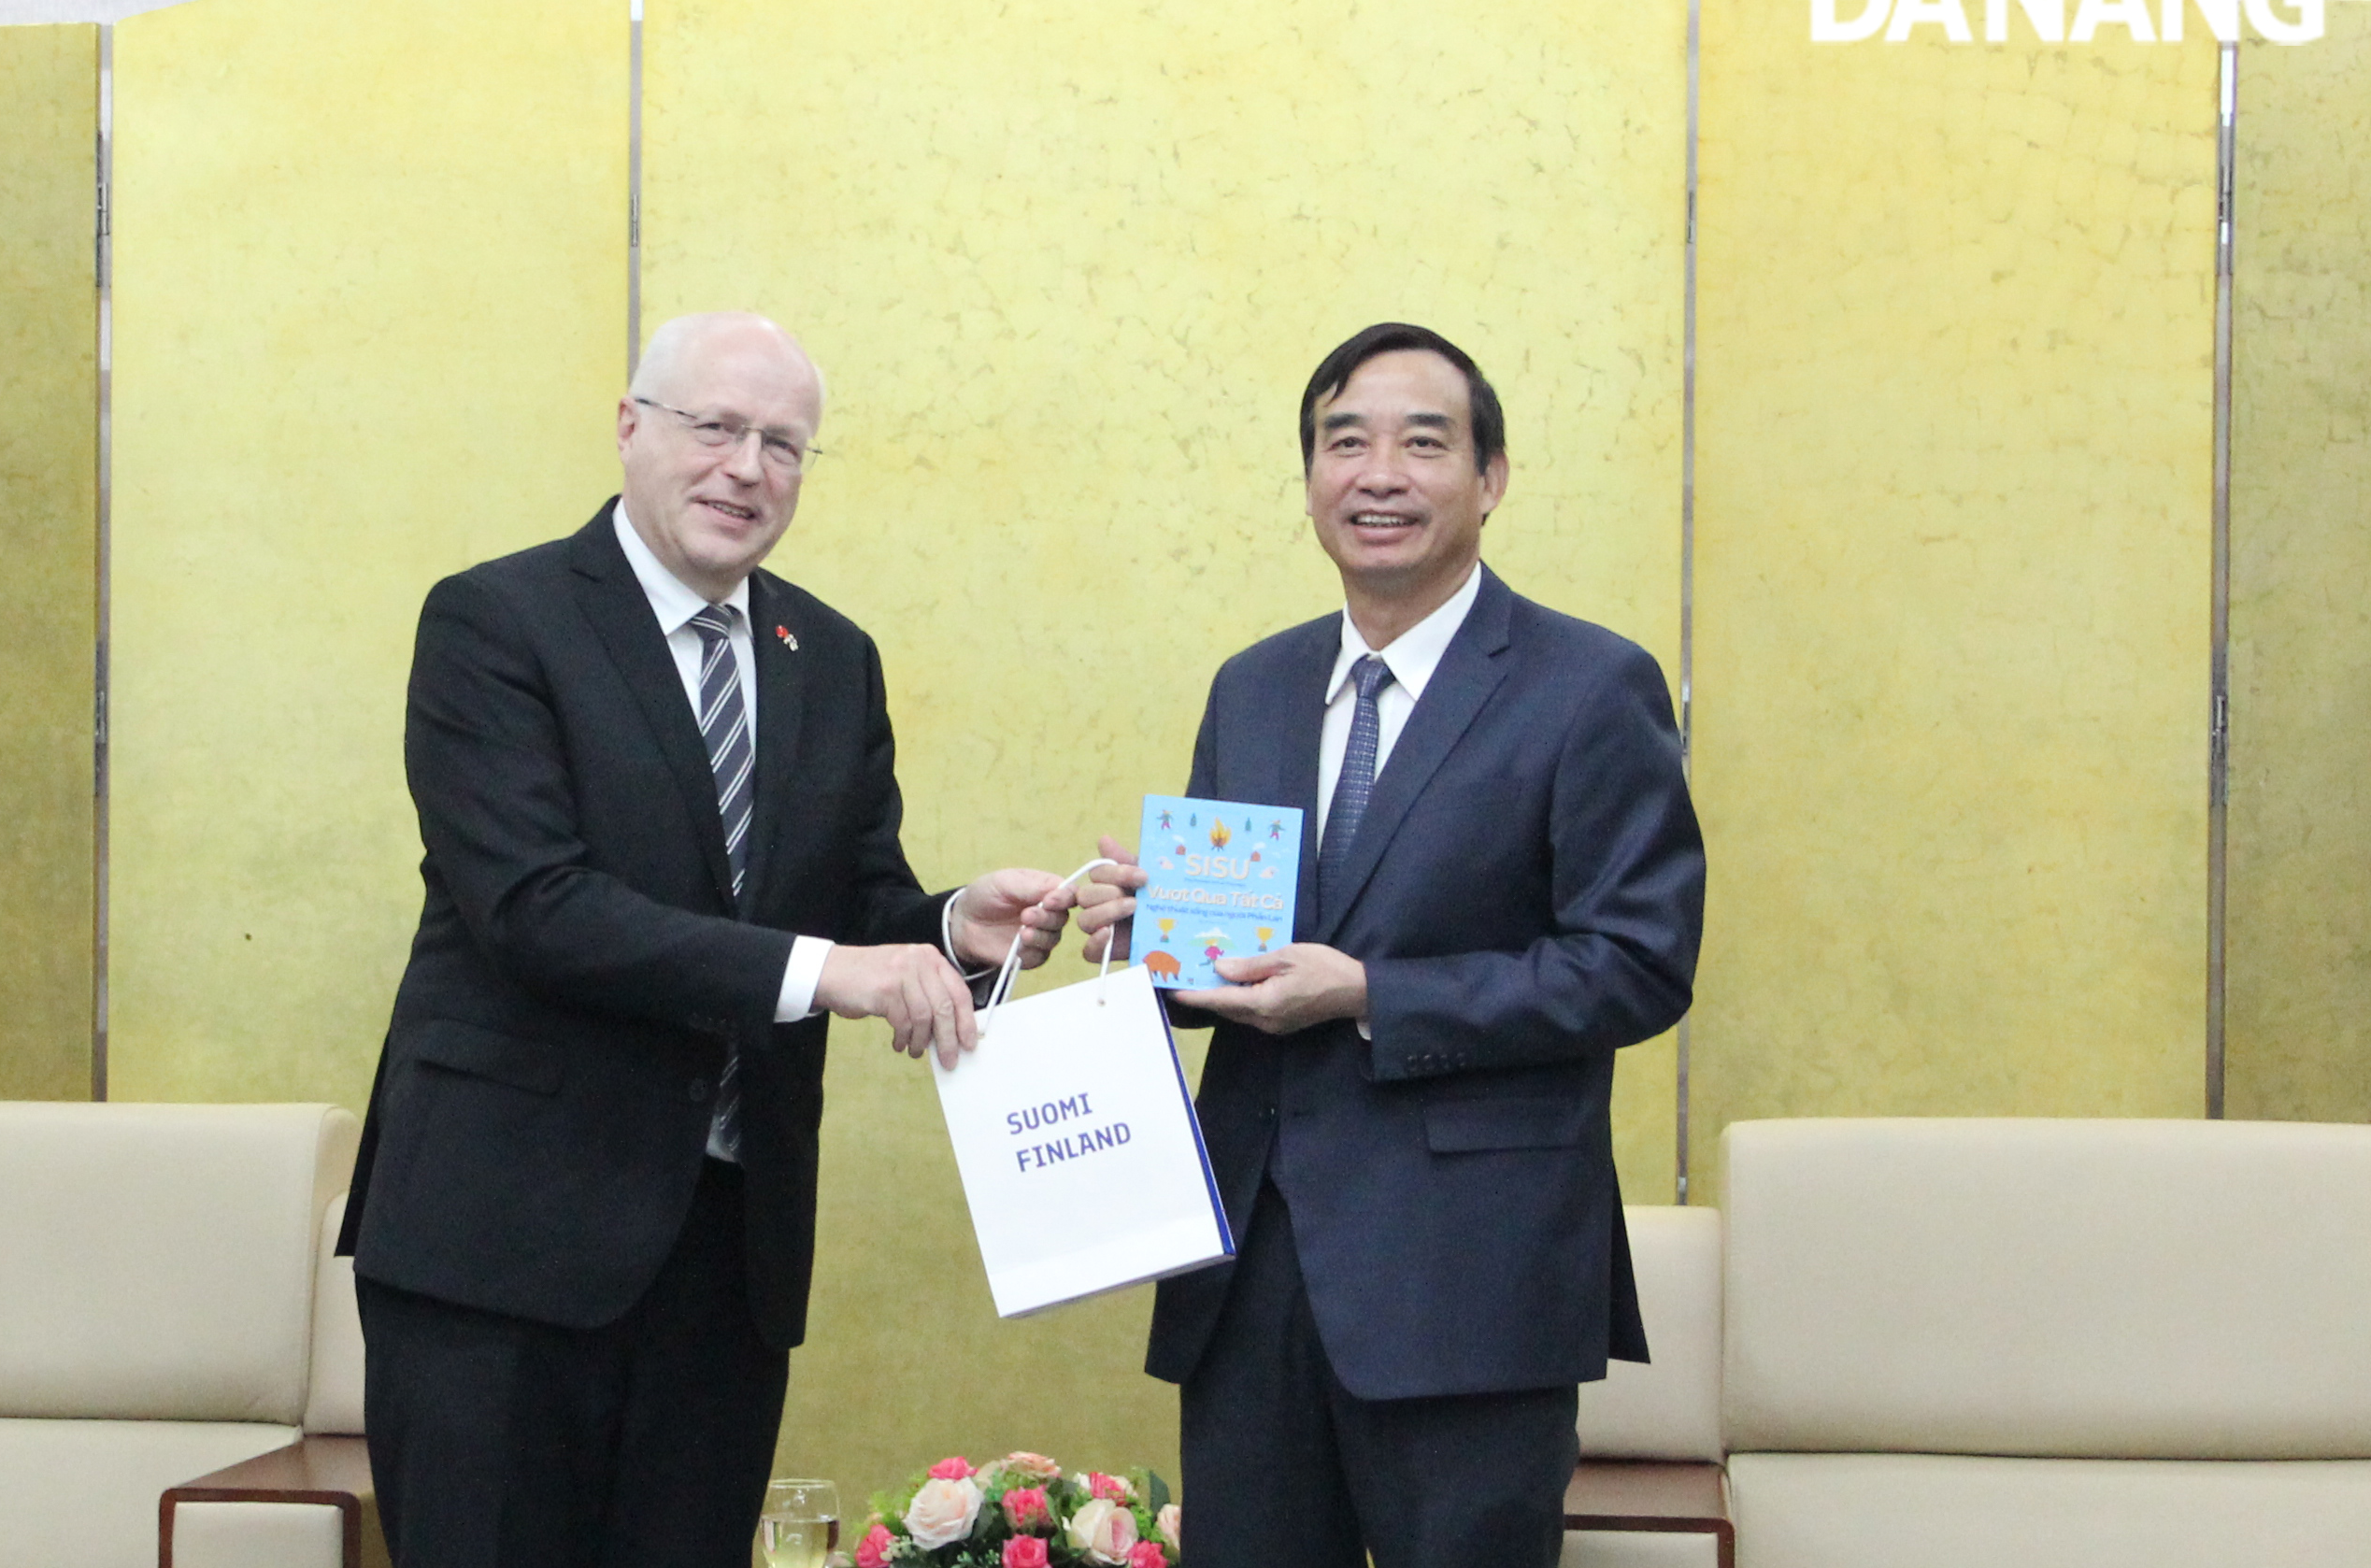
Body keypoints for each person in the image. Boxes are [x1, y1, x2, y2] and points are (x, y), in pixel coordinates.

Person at [338, 311, 1074, 1567]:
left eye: (784, 445)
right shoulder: (495, 622)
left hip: (727, 1254)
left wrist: (955, 928)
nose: (748, 468)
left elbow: (850, 905)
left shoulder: (831, 659)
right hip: (501, 1250)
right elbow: (534, 908)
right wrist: (833, 971)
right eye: (717, 428)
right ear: (630, 428)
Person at [1078, 322, 1705, 1568]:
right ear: (1309, 477)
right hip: (1251, 1270)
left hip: (1471, 1274)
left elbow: (1637, 961)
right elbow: (1247, 951)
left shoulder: (1588, 686)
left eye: (1424, 443)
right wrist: (1152, 939)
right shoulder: (1253, 685)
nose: (1379, 473)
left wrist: (1370, 994)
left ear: (1491, 479)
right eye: (1343, 441)